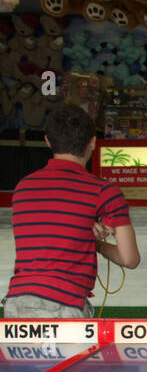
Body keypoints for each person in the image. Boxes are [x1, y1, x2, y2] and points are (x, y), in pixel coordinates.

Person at [3, 103, 140, 319]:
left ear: (47, 140)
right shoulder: (105, 191)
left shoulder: (22, 187)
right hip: (64, 303)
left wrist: (83, 236)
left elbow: (50, 238)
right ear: (93, 142)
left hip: (16, 302)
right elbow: (130, 259)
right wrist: (97, 244)